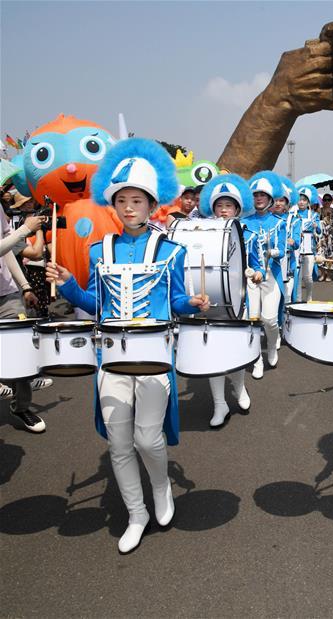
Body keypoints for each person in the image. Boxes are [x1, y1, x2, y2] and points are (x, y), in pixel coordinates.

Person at [46, 138, 210, 553]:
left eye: (137, 199)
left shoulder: (171, 250)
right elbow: (94, 304)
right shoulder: (100, 250)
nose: (130, 207)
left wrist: (190, 303)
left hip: (155, 356)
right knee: (118, 442)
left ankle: (161, 487)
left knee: (147, 439)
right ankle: (136, 514)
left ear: (151, 203)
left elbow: (173, 302)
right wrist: (68, 283)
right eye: (122, 200)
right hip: (110, 358)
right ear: (113, 204)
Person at [197, 174, 258, 427]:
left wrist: (257, 272)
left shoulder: (247, 232)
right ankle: (219, 404)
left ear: (237, 209)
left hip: (239, 298)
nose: (224, 210)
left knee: (236, 348)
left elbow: (257, 262)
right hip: (212, 298)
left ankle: (240, 388)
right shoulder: (204, 230)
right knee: (213, 352)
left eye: (229, 206)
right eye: (220, 206)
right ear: (213, 208)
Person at [1, 207, 47, 431]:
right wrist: (26, 229)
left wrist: (24, 285)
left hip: (8, 294)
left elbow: (6, 249)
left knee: (21, 351)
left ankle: (21, 407)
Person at [244, 171, 287, 379]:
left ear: (269, 199)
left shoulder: (279, 222)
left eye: (262, 195)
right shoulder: (244, 222)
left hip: (271, 275)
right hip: (250, 276)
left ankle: (271, 344)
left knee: (269, 319)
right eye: (255, 195)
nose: (258, 198)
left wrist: (272, 252)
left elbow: (283, 250)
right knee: (252, 320)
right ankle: (256, 360)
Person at [290, 184, 322, 303]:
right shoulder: (292, 214)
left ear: (308, 202)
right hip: (296, 249)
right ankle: (298, 300)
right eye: (299, 199)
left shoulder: (314, 215)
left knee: (307, 277)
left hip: (309, 248)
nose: (301, 202)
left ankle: (309, 296)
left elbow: (320, 232)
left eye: (304, 200)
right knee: (296, 276)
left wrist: (315, 226)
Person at [317, 197, 333, 282]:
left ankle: (328, 274)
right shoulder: (319, 211)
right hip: (321, 236)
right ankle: (322, 274)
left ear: (331, 201)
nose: (327, 201)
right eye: (325, 200)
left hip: (331, 237)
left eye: (329, 200)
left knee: (330, 255)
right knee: (320, 254)